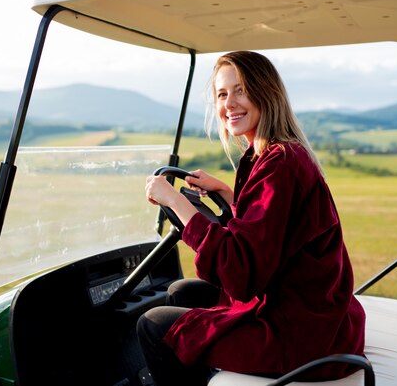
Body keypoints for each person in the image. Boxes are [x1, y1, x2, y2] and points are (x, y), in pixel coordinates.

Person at [139, 51, 365, 386]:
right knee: (181, 291)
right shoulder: (274, 155)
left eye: (241, 89)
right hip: (316, 318)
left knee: (153, 325)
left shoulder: (279, 165)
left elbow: (242, 272)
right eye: (222, 94)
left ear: (266, 92)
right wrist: (231, 197)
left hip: (301, 336)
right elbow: (271, 234)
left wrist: (176, 201)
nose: (230, 103)